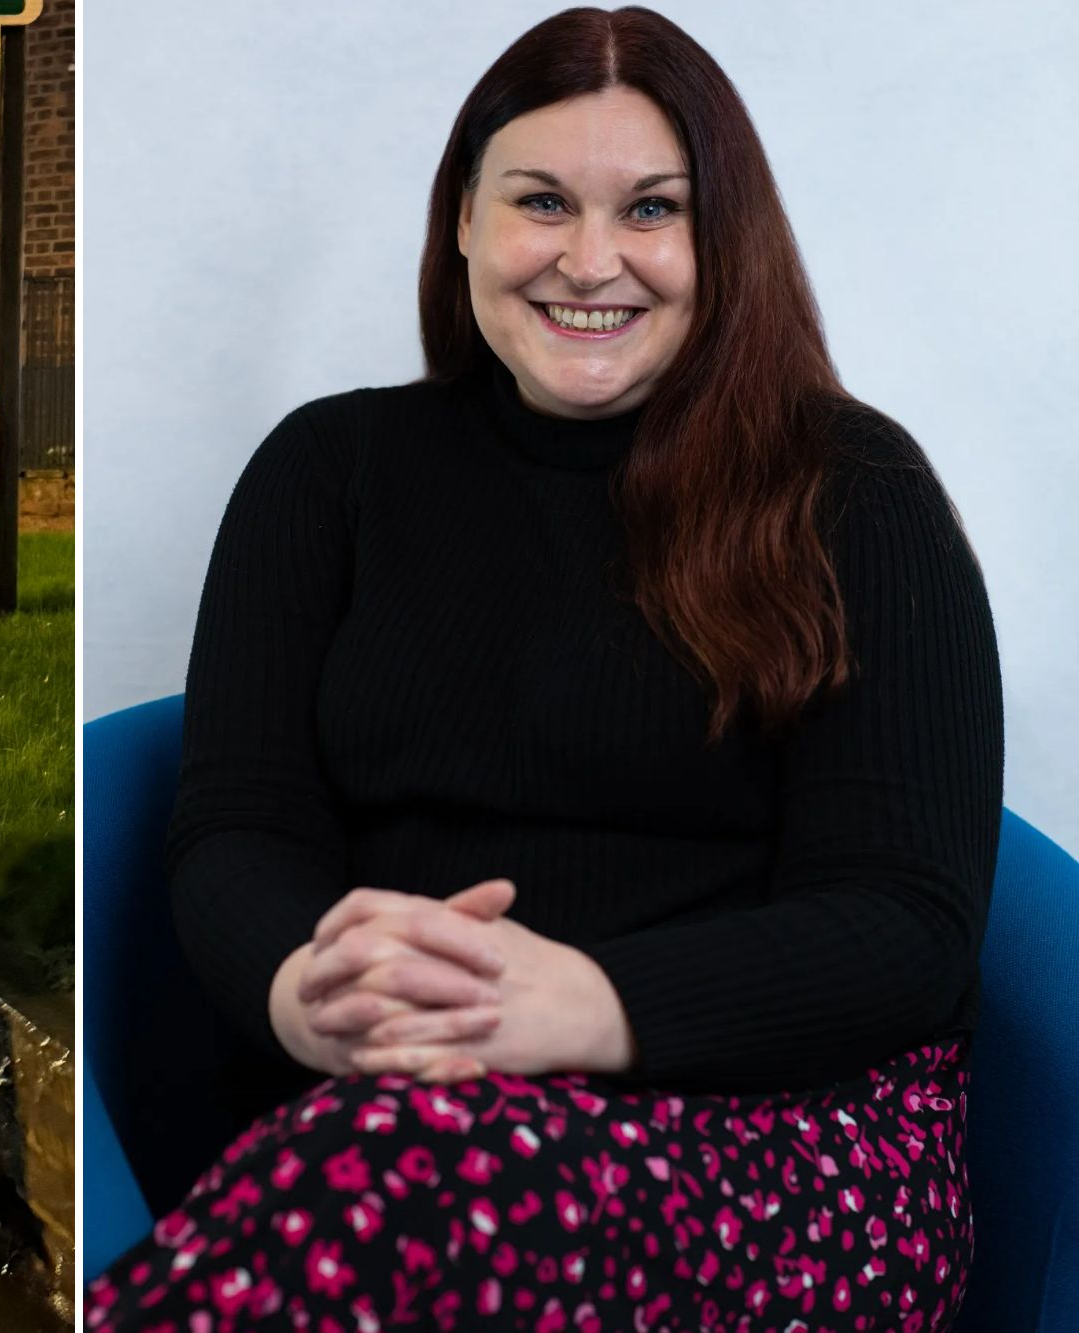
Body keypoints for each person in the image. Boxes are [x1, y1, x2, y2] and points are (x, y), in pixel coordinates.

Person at [85, 7, 1000, 1331]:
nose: (590, 259)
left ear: (721, 240)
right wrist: (309, 988)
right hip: (391, 1116)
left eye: (652, 210)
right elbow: (238, 821)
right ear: (463, 220)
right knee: (392, 1161)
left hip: (785, 1140)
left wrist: (581, 1002)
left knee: (399, 1173)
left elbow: (907, 922)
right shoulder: (326, 472)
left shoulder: (856, 492)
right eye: (541, 201)